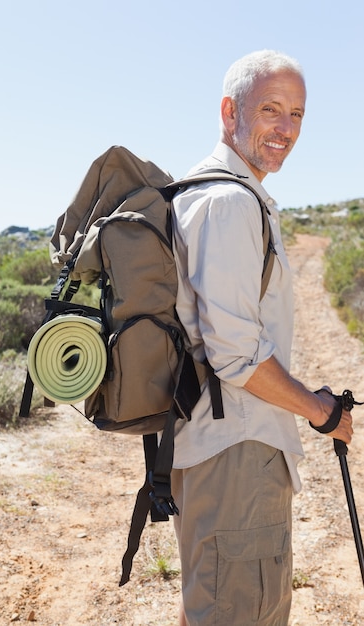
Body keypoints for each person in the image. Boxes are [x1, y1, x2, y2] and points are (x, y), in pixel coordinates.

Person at [171, 49, 353, 626]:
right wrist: (318, 411)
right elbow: (237, 354)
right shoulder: (228, 204)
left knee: (219, 604)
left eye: (297, 114)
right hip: (238, 457)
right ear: (230, 112)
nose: (286, 128)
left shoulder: (211, 194)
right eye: (271, 109)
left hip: (217, 451)